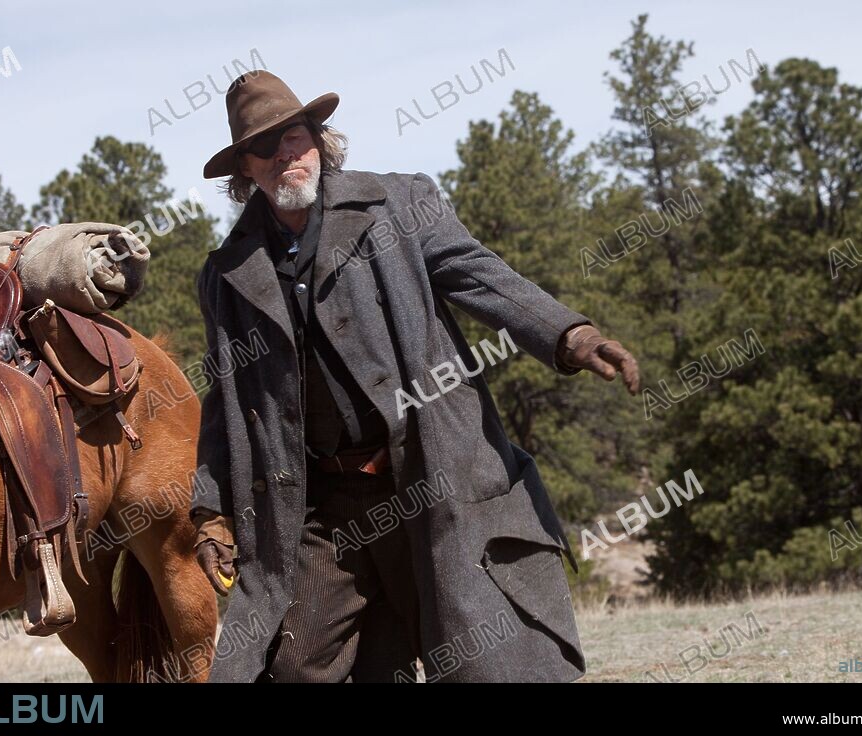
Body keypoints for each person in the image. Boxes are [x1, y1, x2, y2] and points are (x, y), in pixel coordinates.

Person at [191, 70, 640, 683]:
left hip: (429, 477)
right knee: (291, 666)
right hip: (320, 505)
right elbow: (225, 401)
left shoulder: (399, 206)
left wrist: (569, 335)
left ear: (319, 139)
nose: (284, 157)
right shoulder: (228, 273)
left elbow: (482, 276)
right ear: (246, 170)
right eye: (263, 149)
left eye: (294, 137)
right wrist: (209, 510)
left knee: (484, 657)